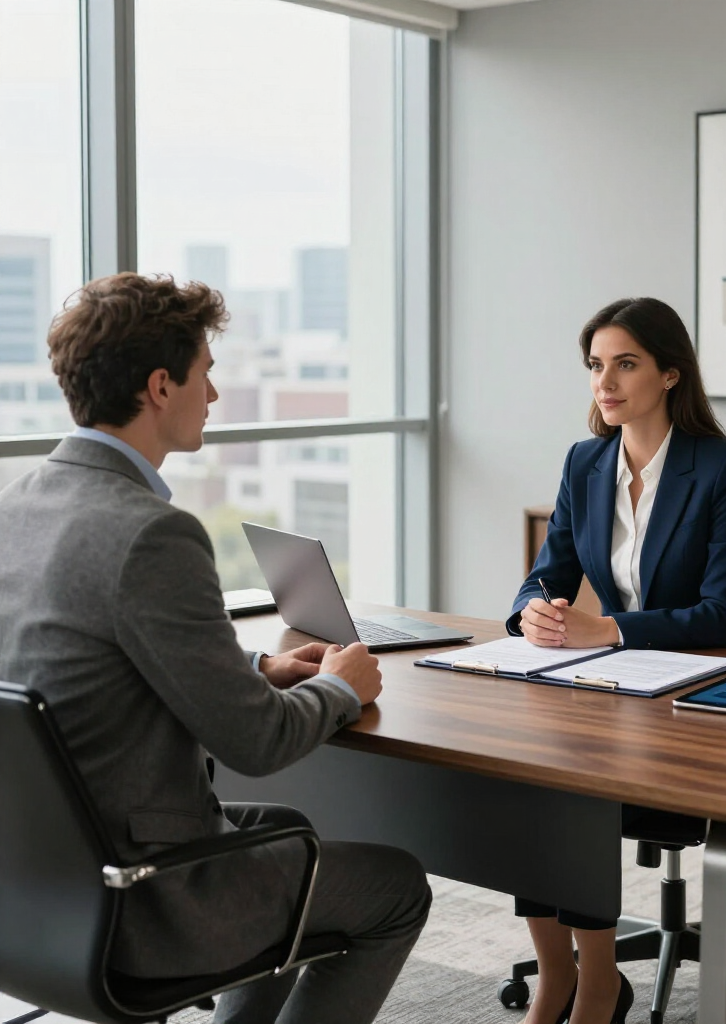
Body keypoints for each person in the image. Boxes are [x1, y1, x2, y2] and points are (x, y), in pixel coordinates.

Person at [0, 273, 431, 1024]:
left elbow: (93, 657)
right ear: (161, 386)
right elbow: (257, 741)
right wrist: (341, 687)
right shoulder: (149, 533)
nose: (217, 394)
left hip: (36, 885)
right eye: (207, 373)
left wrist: (259, 668)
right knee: (396, 889)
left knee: (286, 836)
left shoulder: (18, 505)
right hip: (141, 899)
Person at [506, 297, 726, 1024]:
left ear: (670, 373)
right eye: (595, 366)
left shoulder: (722, 470)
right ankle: (559, 978)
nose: (605, 382)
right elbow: (547, 572)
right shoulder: (585, 462)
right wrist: (534, 608)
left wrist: (609, 630)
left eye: (625, 363)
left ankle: (597, 987)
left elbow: (724, 616)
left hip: (695, 705)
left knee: (571, 785)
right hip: (606, 692)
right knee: (523, 772)